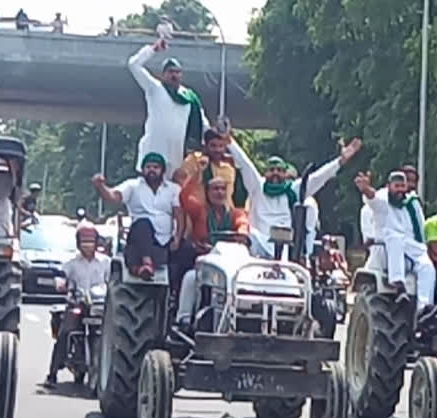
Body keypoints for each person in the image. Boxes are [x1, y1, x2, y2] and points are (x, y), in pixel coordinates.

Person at [228, 135, 363, 258]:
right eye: (271, 170)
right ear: (265, 172)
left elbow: (318, 177)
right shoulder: (257, 186)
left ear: (285, 173)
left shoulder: (293, 190)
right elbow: (244, 163)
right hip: (258, 243)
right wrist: (229, 140)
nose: (275, 173)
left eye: (279, 170)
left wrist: (341, 161)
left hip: (284, 244)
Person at [92, 152, 184, 280]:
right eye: (148, 167)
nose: (151, 170)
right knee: (143, 223)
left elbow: (179, 215)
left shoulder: (173, 189)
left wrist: (178, 238)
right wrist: (100, 187)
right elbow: (113, 196)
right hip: (139, 236)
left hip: (163, 241)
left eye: (155, 167)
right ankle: (146, 264)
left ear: (162, 170)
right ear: (142, 170)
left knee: (186, 250)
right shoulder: (132, 186)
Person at [355, 170, 436, 312]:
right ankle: (398, 284)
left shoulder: (410, 205)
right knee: (394, 237)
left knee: (427, 266)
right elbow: (373, 200)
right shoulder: (383, 204)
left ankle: (423, 308)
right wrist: (366, 189)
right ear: (389, 186)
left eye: (402, 186)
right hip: (386, 254)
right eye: (396, 186)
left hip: (410, 250)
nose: (400, 190)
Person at [128, 38, 210, 175]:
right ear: (163, 74)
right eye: (171, 72)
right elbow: (133, 65)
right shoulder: (155, 88)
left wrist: (216, 133)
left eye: (177, 72)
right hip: (154, 154)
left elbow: (202, 124)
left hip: (177, 157)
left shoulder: (189, 97)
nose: (174, 75)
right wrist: (153, 49)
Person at [176, 176, 249, 328]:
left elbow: (242, 224)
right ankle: (184, 319)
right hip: (205, 262)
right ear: (207, 192)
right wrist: (197, 176)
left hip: (230, 265)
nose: (219, 192)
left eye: (223, 188)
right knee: (190, 278)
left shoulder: (236, 213)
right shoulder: (200, 211)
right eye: (215, 189)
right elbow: (184, 198)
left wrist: (242, 233)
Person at [44, 223, 110, 388]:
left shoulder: (106, 262)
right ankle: (52, 373)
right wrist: (60, 283)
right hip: (77, 304)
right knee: (65, 332)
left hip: (99, 306)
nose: (87, 245)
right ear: (78, 243)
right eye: (84, 241)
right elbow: (61, 276)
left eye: (91, 241)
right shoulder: (72, 263)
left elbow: (113, 280)